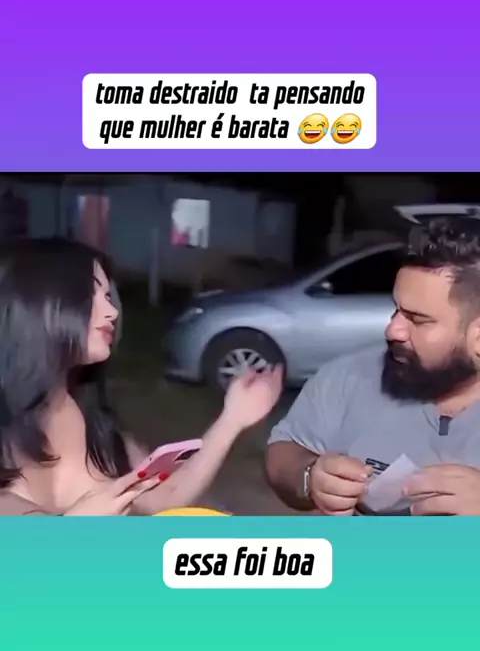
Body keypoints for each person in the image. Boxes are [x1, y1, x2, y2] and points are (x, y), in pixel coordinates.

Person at [0, 238, 283, 516]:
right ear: (39, 304)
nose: (112, 312)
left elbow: (163, 497)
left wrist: (233, 419)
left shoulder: (90, 418)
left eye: (108, 297)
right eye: (90, 295)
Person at [266, 215, 480, 516]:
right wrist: (309, 476)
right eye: (397, 310)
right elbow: (284, 450)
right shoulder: (349, 375)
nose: (393, 330)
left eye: (418, 320)